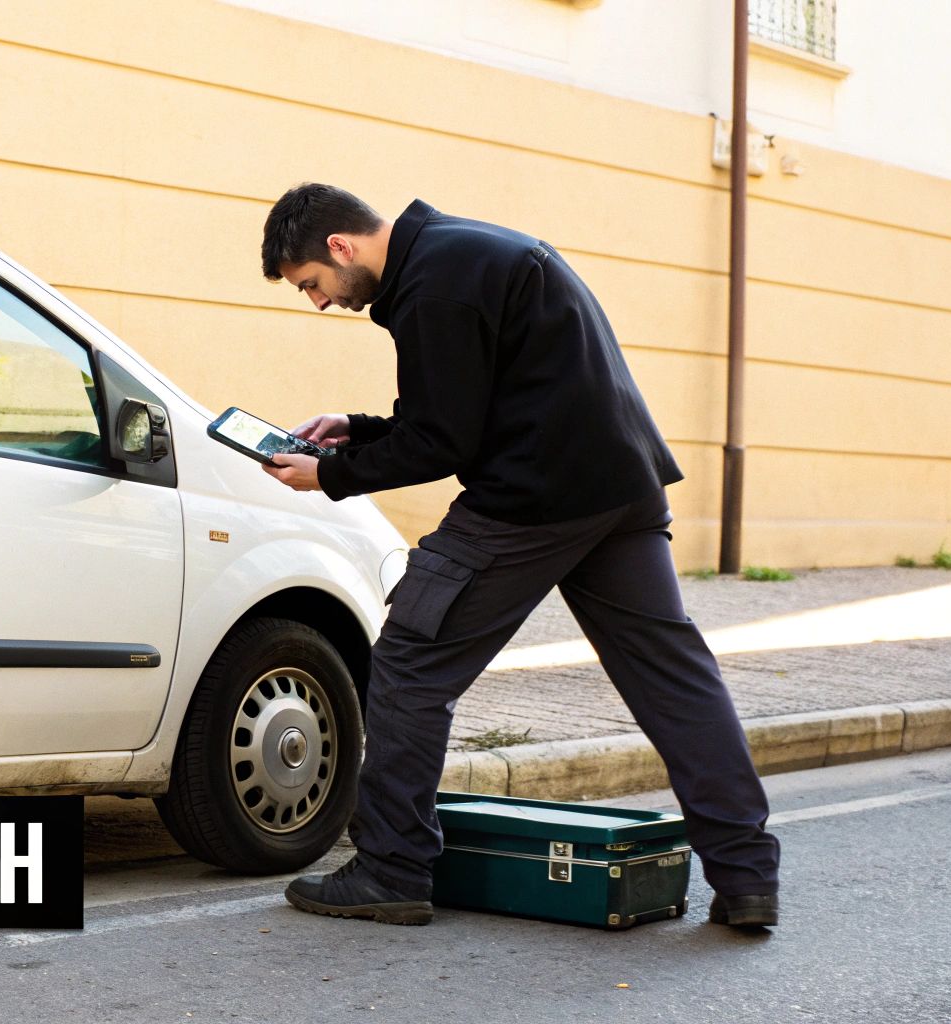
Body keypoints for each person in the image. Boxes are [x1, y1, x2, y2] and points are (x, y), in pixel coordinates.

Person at [255, 183, 780, 929]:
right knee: (674, 680)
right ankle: (748, 878)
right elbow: (461, 408)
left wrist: (329, 475)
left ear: (340, 247)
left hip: (533, 498)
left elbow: (444, 442)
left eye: (312, 284)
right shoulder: (463, 251)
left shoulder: (433, 288)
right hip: (619, 488)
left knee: (409, 661)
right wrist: (358, 430)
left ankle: (392, 869)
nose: (320, 302)